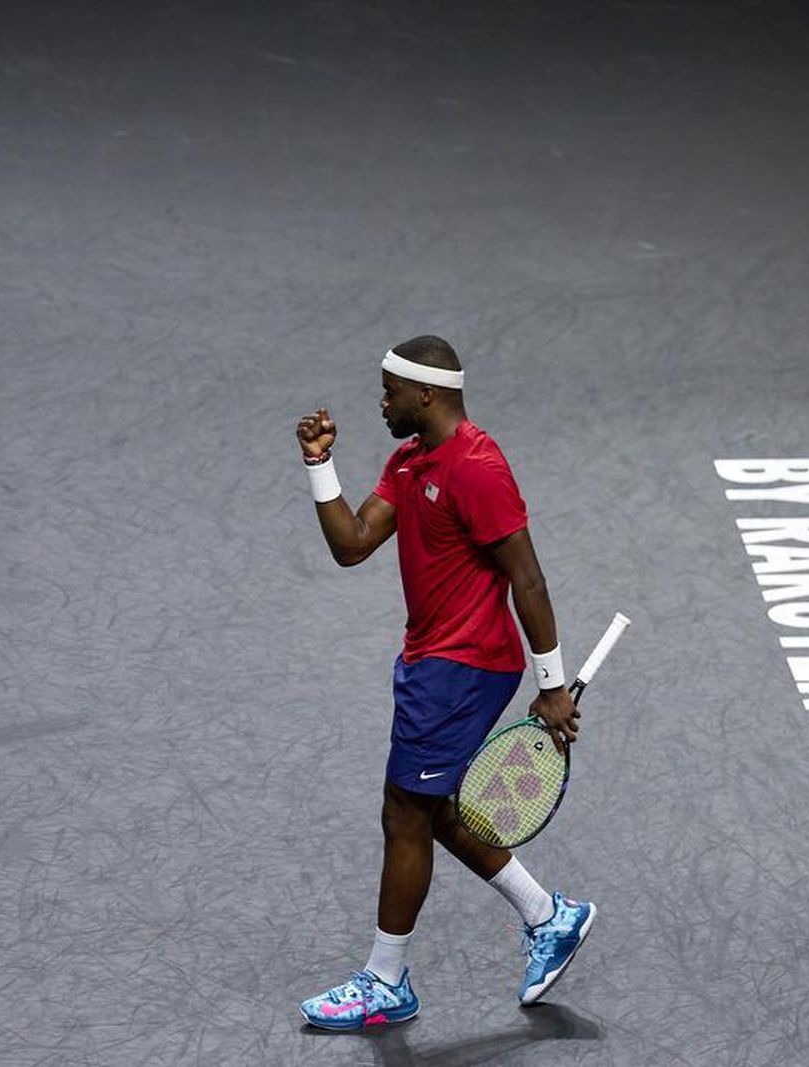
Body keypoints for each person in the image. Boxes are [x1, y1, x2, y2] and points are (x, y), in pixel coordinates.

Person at [292, 336, 595, 1031]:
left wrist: (552, 685)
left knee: (405, 810)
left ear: (425, 394)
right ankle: (550, 915)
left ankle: (384, 979)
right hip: (431, 661)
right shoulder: (409, 462)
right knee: (431, 806)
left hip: (465, 665)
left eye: (390, 390)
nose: (382, 402)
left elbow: (529, 576)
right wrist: (319, 465)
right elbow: (352, 544)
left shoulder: (479, 467)